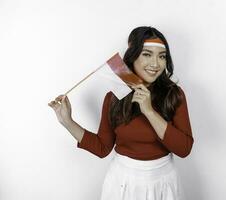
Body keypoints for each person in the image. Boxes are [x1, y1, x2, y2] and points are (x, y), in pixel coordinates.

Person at [48, 26, 194, 200]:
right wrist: (67, 122)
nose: (155, 64)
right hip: (122, 183)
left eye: (161, 56)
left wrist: (149, 111)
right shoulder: (114, 97)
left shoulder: (174, 94)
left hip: (163, 183)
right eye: (147, 54)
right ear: (132, 57)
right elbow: (102, 148)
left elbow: (184, 149)